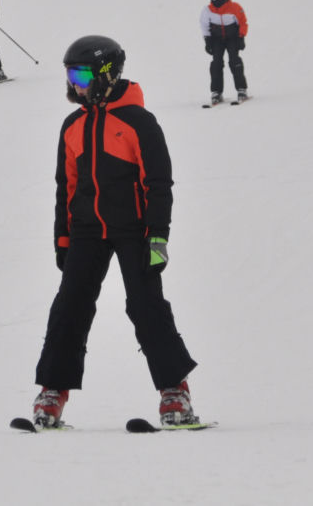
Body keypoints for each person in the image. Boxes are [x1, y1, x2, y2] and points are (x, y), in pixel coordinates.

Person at [30, 35, 198, 430]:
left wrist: (158, 235)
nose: (75, 83)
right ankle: (53, 391)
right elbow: (66, 187)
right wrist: (63, 239)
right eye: (70, 74)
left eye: (82, 74)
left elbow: (159, 183)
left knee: (145, 305)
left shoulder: (138, 122)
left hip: (134, 229)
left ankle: (175, 391)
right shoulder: (72, 126)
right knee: (70, 304)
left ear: (107, 73)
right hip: (87, 231)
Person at [200, 0, 249, 104]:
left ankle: (241, 89)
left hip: (232, 38)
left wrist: (241, 37)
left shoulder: (235, 7)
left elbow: (243, 22)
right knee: (216, 63)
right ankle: (216, 92)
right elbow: (204, 26)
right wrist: (207, 40)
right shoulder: (207, 11)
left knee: (234, 61)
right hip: (217, 40)